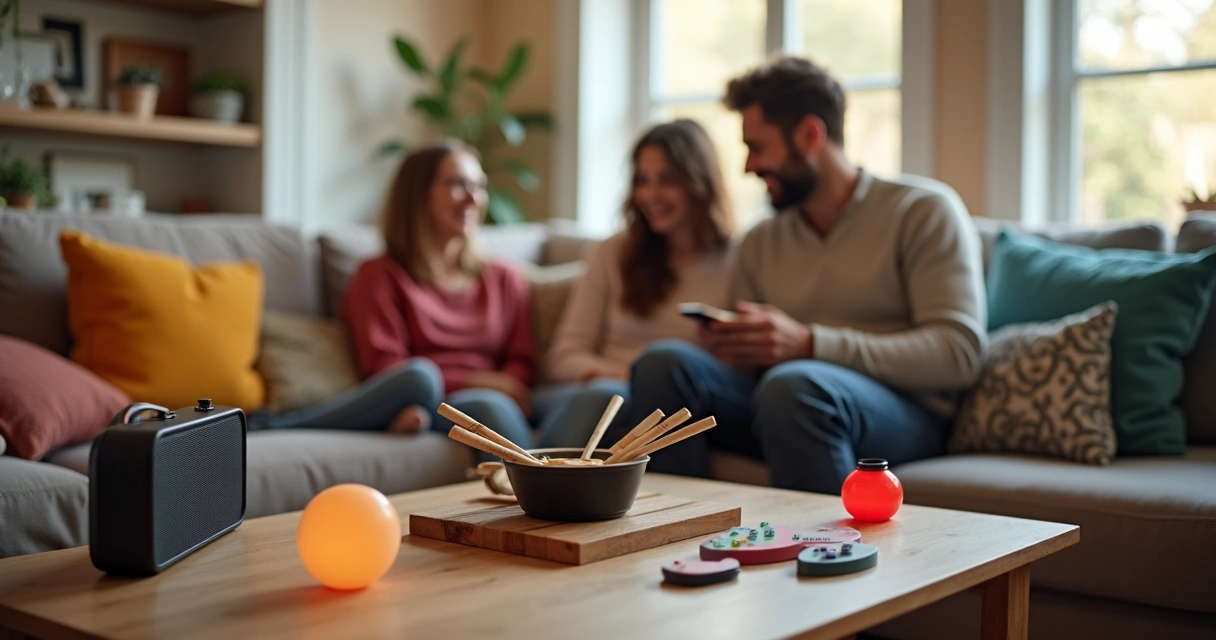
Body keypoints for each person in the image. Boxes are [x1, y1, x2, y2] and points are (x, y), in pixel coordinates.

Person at [627, 56, 987, 494]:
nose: (748, 167)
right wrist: (737, 344)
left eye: (758, 148)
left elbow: (959, 353)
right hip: (786, 405)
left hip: (902, 415)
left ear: (810, 135)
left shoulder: (921, 211)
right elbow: (745, 371)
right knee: (662, 364)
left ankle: (825, 554)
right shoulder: (762, 239)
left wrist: (810, 343)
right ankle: (676, 533)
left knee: (794, 385)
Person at [250, 140, 536, 458]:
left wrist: (508, 383)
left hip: (499, 399)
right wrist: (479, 381)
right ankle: (277, 427)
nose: (473, 198)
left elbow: (521, 358)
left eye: (478, 186)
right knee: (422, 378)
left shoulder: (505, 278)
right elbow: (386, 368)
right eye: (457, 184)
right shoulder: (379, 275)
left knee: (596, 398)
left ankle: (565, 489)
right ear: (417, 194)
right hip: (438, 398)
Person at [533, 120, 737, 449]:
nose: (651, 195)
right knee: (605, 397)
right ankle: (537, 488)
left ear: (699, 182)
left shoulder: (737, 261)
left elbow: (731, 370)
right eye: (642, 180)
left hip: (681, 403)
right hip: (599, 393)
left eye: (667, 180)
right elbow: (563, 357)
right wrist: (633, 378)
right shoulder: (611, 252)